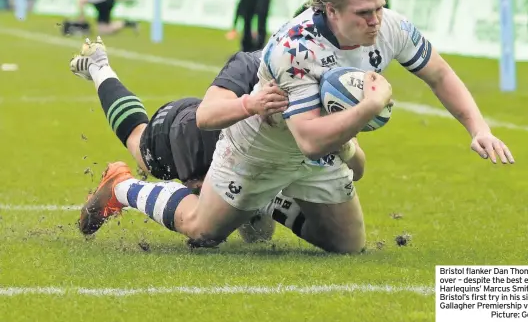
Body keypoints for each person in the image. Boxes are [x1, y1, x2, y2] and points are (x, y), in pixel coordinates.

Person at [81, 0, 514, 254]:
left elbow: (439, 73)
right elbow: (308, 138)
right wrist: (367, 107)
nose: (375, 20)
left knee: (347, 245)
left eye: (380, 6)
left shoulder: (390, 26)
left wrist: (478, 128)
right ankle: (123, 186)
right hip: (260, 147)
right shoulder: (293, 49)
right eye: (364, 12)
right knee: (202, 232)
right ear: (329, 10)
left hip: (316, 149)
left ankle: (267, 201)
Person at [69, 37, 365, 242]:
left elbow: (358, 168)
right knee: (138, 142)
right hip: (188, 135)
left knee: (258, 236)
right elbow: (206, 116)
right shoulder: (254, 63)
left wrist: (344, 141)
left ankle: (258, 201)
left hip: (251, 160)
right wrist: (252, 105)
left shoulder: (329, 85)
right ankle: (121, 183)